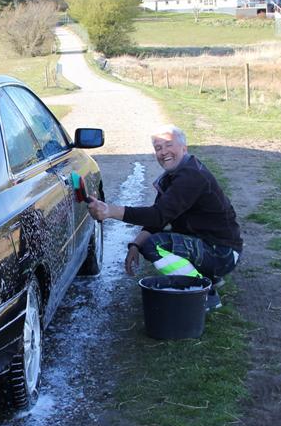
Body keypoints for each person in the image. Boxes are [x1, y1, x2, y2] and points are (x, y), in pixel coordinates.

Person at [86, 124, 242, 313]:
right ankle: (208, 277)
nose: (163, 152)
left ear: (184, 148)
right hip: (211, 245)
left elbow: (157, 215)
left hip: (222, 252)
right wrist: (135, 245)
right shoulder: (174, 176)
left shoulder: (192, 176)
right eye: (158, 148)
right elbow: (158, 218)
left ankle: (203, 292)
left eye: (168, 145)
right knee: (149, 242)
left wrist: (110, 211)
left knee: (154, 245)